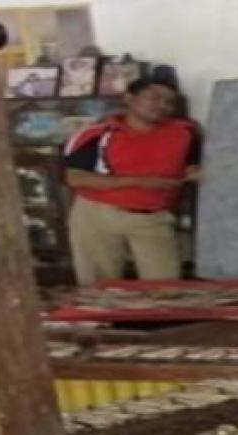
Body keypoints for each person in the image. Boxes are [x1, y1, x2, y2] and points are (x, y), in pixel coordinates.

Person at [63, 76, 201, 285]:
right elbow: (74, 177)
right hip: (98, 215)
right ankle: (103, 318)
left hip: (154, 217)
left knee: (165, 286)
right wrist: (139, 182)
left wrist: (193, 173)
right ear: (129, 98)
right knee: (99, 286)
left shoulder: (185, 132)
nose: (162, 105)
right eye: (154, 98)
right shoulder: (98, 134)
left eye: (168, 102)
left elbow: (192, 165)